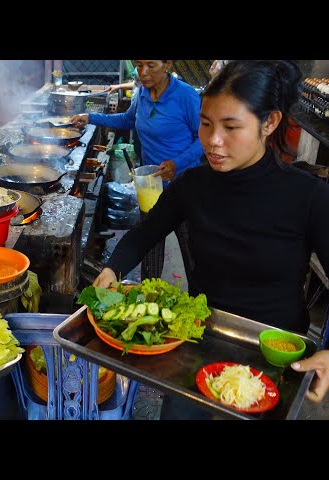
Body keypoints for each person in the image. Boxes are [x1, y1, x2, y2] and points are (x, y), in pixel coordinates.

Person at [92, 60, 329, 410]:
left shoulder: (308, 197)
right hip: (200, 339)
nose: (213, 141)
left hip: (277, 355)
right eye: (205, 124)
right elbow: (143, 235)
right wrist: (111, 270)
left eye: (231, 127)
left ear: (270, 122)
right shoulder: (193, 186)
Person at [72, 60, 204, 284]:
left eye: (151, 65)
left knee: (190, 248)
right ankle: (147, 292)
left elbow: (203, 139)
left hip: (182, 183)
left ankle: (202, 301)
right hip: (151, 184)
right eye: (139, 65)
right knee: (149, 244)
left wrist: (177, 163)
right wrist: (90, 117)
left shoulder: (186, 96)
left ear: (167, 65)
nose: (143, 73)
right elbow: (128, 120)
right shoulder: (142, 93)